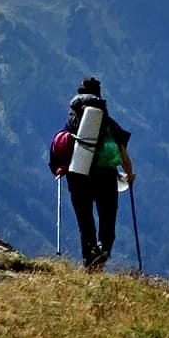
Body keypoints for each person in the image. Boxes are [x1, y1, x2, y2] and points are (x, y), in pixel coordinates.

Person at [63, 76, 133, 270]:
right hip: (106, 177)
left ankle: (89, 264)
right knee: (107, 222)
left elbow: (62, 147)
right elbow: (124, 156)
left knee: (86, 225)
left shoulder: (72, 122)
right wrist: (130, 175)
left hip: (77, 177)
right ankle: (101, 252)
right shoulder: (109, 124)